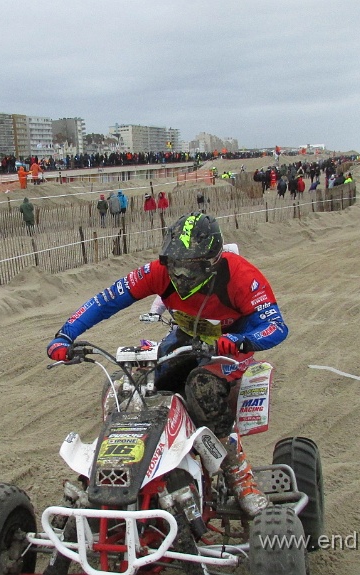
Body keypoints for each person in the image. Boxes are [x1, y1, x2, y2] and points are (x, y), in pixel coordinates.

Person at [46, 212, 288, 516]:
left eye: (190, 267)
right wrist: (65, 335)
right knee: (131, 388)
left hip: (228, 347)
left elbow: (276, 326)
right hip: (185, 338)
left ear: (213, 262)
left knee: (201, 389)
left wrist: (242, 341)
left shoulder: (241, 276)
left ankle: (238, 474)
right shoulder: (159, 271)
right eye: (175, 265)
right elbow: (107, 299)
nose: (181, 275)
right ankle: (120, 472)